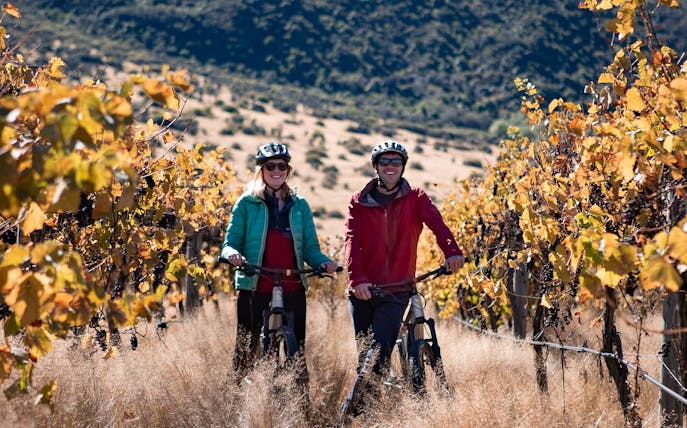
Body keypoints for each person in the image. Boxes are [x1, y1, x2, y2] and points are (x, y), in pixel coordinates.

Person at [344, 140, 464, 409]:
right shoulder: (359, 201)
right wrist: (357, 280)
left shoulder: (416, 198)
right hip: (363, 289)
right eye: (384, 162)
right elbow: (351, 240)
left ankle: (364, 415)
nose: (390, 166)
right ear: (375, 166)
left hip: (396, 289)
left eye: (395, 162)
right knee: (365, 360)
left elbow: (438, 225)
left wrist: (452, 251)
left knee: (378, 356)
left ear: (403, 167)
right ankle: (356, 412)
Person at [220, 142, 338, 384]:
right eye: (270, 166)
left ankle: (301, 406)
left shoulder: (300, 205)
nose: (277, 171)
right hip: (255, 284)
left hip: (292, 284)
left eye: (282, 166)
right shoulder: (246, 203)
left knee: (298, 355)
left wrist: (325, 262)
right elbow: (230, 242)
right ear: (261, 170)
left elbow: (310, 249)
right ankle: (234, 400)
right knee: (245, 350)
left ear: (288, 170)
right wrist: (232, 254)